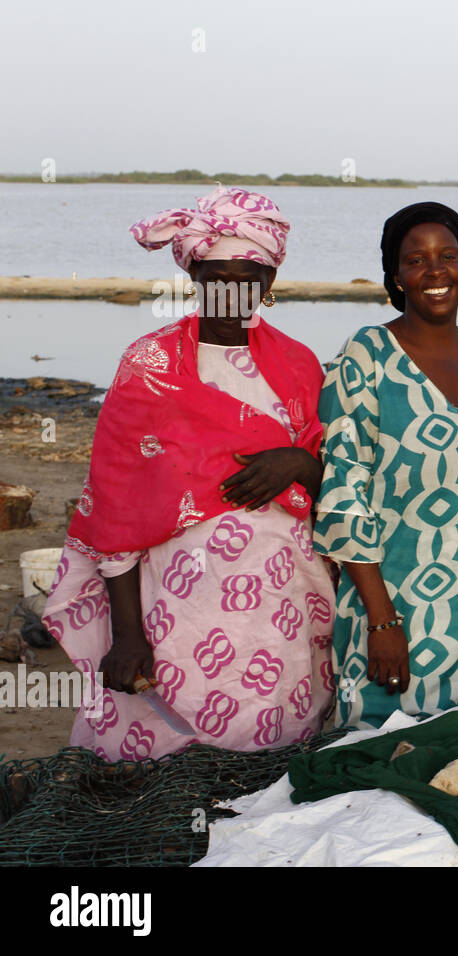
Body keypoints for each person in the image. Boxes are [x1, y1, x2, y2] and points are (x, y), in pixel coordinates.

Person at [43, 186, 335, 760]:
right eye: (217, 273)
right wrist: (128, 636)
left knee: (271, 766)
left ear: (270, 283)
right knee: (164, 759)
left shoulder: (299, 365)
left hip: (285, 607)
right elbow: (116, 501)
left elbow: (335, 484)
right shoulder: (150, 362)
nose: (232, 289)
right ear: (195, 274)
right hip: (180, 605)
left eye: (249, 274)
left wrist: (301, 462)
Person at [315, 202, 458, 728]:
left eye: (448, 257)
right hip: (393, 612)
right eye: (416, 260)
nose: (435, 272)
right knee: (378, 768)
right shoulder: (365, 356)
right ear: (396, 275)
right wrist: (382, 621)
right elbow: (344, 490)